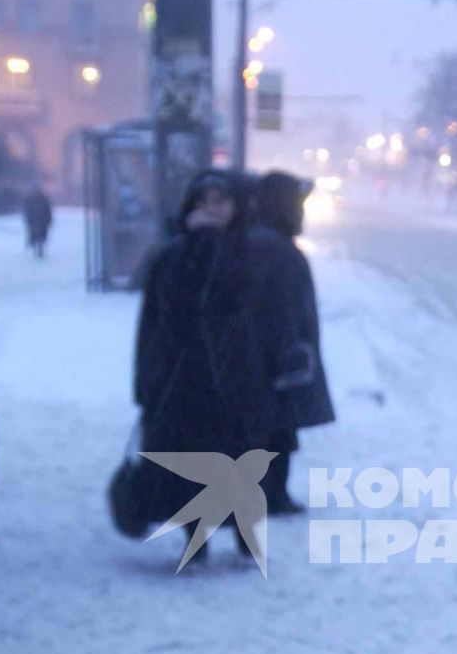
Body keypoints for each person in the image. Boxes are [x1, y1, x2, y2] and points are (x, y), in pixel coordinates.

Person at [131, 169, 274, 560]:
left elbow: (245, 303)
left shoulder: (248, 249)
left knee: (242, 459)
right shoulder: (174, 253)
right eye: (204, 202)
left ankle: (246, 538)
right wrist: (147, 379)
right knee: (192, 458)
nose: (213, 210)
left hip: (238, 374)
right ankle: (196, 540)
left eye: (221, 201)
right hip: (187, 374)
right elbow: (160, 316)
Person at [245, 171, 335, 515]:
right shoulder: (277, 249)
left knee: (277, 428)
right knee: (278, 428)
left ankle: (271, 492)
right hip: (278, 359)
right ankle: (272, 495)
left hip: (270, 356)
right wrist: (290, 353)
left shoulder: (265, 242)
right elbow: (280, 309)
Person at [23, 182, 53, 258]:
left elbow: (48, 210)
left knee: (41, 236)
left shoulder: (43, 198)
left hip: (42, 220)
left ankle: (40, 249)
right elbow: (27, 210)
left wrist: (49, 219)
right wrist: (27, 219)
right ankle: (36, 249)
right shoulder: (30, 199)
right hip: (34, 220)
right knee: (35, 236)